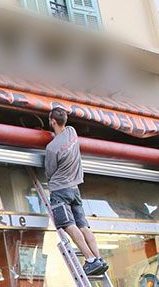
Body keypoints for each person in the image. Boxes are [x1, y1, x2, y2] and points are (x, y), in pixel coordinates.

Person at [45, 107, 109, 276]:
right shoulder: (72, 132)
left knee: (68, 225)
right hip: (75, 188)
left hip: (60, 190)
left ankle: (90, 260)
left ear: (52, 122)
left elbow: (49, 172)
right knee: (83, 225)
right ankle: (98, 258)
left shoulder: (52, 148)